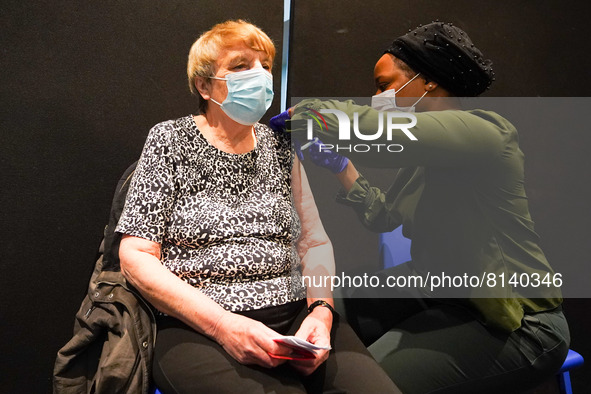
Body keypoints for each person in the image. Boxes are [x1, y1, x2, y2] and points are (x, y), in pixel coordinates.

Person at [271, 21, 570, 393]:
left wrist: (309, 115)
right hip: (437, 288)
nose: (377, 96)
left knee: (357, 382)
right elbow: (384, 216)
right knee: (311, 309)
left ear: (427, 80)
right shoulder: (422, 158)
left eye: (384, 84)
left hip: (517, 322)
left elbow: (378, 132)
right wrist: (342, 167)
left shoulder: (487, 132)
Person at [116, 20, 400, 393]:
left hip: (297, 314)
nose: (260, 76)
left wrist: (322, 311)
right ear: (204, 85)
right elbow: (135, 255)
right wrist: (223, 325)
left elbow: (314, 242)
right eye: (240, 66)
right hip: (200, 326)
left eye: (265, 65)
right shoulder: (170, 139)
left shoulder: (280, 145)